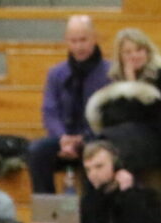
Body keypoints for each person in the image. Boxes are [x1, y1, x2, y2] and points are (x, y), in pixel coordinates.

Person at [86, 27, 161, 196]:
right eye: (128, 52)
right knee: (96, 145)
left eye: (139, 50)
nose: (134, 56)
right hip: (133, 137)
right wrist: (129, 88)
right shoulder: (115, 83)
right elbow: (111, 118)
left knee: (121, 141)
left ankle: (120, 194)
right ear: (120, 57)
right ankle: (97, 196)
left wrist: (132, 86)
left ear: (147, 51)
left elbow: (155, 114)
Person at [27, 15, 110, 194]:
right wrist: (63, 138)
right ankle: (47, 207)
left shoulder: (110, 73)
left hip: (95, 138)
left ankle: (92, 207)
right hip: (63, 139)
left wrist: (83, 138)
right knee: (36, 151)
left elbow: (109, 116)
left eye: (83, 40)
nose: (79, 46)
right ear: (66, 41)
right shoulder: (56, 73)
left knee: (94, 150)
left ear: (94, 38)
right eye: (73, 41)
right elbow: (50, 111)